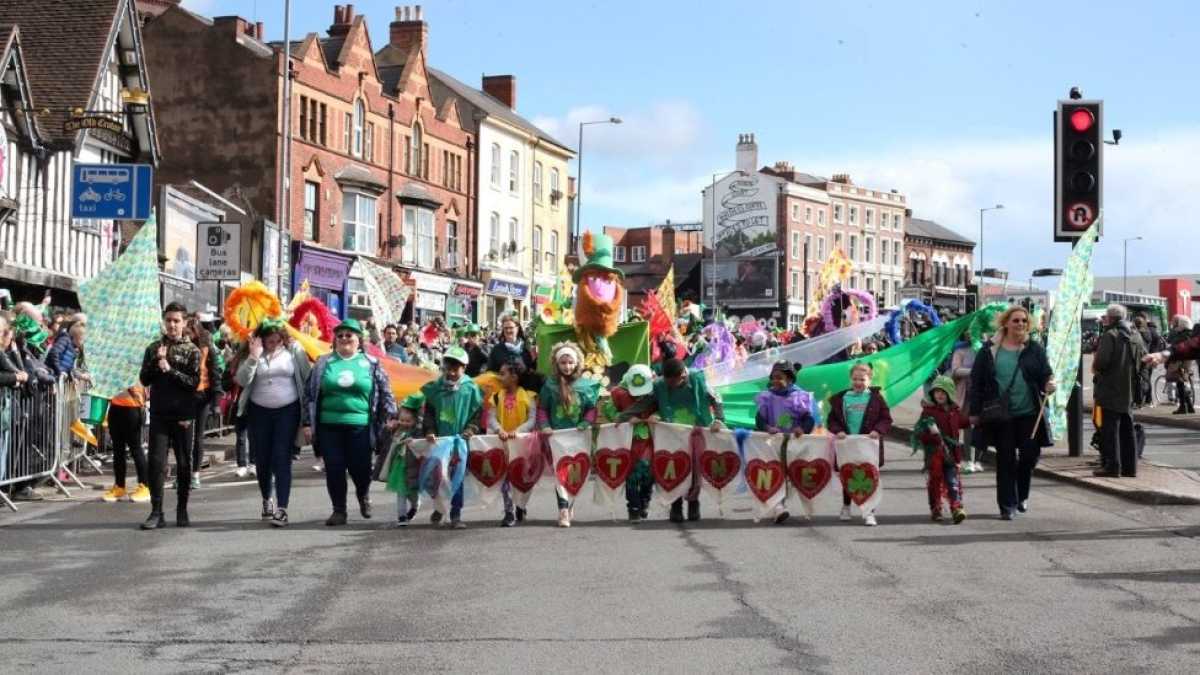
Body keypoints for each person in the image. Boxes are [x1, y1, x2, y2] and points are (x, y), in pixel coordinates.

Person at [969, 305, 1056, 521]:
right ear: (1006, 322)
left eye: (1024, 321)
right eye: (1016, 320)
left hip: (1029, 413)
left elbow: (1046, 373)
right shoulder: (989, 350)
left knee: (1029, 456)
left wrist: (1050, 383)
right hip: (1001, 415)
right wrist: (974, 411)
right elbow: (977, 382)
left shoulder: (1034, 349)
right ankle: (1007, 505)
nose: (1020, 324)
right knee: (1005, 459)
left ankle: (1022, 496)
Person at [307, 319, 396, 526]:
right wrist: (306, 423)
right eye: (340, 335)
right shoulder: (323, 363)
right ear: (335, 339)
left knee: (361, 467)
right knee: (335, 468)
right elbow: (309, 394)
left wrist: (392, 416)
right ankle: (339, 510)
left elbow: (386, 392)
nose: (345, 338)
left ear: (359, 340)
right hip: (329, 425)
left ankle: (363, 494)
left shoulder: (371, 364)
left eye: (349, 335)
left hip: (361, 425)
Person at [623, 357, 724, 524]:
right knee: (674, 467)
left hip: (697, 430)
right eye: (668, 382)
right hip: (671, 432)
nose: (671, 385)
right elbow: (645, 403)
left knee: (695, 468)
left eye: (675, 382)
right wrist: (623, 417)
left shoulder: (699, 379)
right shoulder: (659, 385)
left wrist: (719, 419)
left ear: (683, 375)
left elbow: (717, 398)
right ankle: (675, 505)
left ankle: (693, 502)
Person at [236, 318, 311, 527]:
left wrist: (308, 416)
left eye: (277, 335)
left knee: (281, 457)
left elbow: (307, 378)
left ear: (283, 336)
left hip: (288, 411)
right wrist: (253, 357)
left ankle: (282, 508)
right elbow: (241, 380)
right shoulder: (253, 352)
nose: (273, 339)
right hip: (258, 412)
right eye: (268, 335)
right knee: (263, 459)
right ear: (261, 337)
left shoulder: (294, 351)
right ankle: (266, 499)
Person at [138, 302, 202, 530]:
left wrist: (169, 369)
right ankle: (156, 511)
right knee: (156, 462)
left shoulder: (192, 350)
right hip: (159, 414)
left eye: (176, 321)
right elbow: (144, 379)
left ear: (184, 323)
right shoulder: (154, 348)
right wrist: (157, 363)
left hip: (183, 415)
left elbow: (193, 383)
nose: (172, 325)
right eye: (169, 320)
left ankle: (182, 510)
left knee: (184, 464)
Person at [420, 346, 484, 529]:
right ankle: (440, 507)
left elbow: (477, 414)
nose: (451, 373)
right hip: (440, 442)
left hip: (460, 443)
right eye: (448, 368)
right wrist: (429, 430)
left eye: (456, 369)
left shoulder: (471, 389)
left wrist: (470, 430)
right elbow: (429, 413)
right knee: (439, 476)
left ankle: (456, 514)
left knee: (458, 477)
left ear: (464, 368)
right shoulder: (435, 389)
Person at [538, 342, 599, 527]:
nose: (567, 366)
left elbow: (592, 408)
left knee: (576, 472)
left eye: (570, 362)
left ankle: (571, 503)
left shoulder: (586, 385)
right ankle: (563, 509)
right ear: (557, 364)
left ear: (577, 363)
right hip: (557, 436)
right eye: (563, 363)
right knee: (560, 472)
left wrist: (586, 422)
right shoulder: (549, 386)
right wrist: (545, 425)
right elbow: (542, 409)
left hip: (579, 436)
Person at [826, 362, 892, 526]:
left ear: (869, 380)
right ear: (850, 379)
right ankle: (846, 506)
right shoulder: (841, 399)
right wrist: (838, 430)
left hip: (868, 445)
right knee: (848, 475)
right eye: (855, 379)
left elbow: (886, 419)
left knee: (870, 476)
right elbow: (832, 420)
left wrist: (877, 430)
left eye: (862, 379)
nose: (858, 383)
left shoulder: (876, 399)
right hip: (847, 444)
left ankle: (869, 511)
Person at [754, 360, 817, 525]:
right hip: (773, 444)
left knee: (791, 476)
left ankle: (781, 504)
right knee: (776, 473)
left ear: (789, 379)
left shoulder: (799, 396)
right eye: (773, 378)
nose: (775, 381)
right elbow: (759, 420)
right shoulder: (767, 396)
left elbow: (808, 419)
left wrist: (802, 429)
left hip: (793, 444)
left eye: (779, 378)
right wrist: (767, 427)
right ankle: (778, 507)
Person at [1091, 304, 1146, 478]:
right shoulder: (1135, 334)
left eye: (1106, 316)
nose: (1104, 319)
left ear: (1112, 318)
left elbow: (1101, 363)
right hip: (1130, 388)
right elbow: (1144, 358)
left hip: (1110, 388)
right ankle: (1130, 468)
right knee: (1127, 429)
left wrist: (1095, 365)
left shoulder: (1111, 335)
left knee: (1110, 429)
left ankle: (1112, 467)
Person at [486, 360, 537, 526]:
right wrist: (499, 429)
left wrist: (519, 431)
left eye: (503, 374)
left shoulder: (529, 397)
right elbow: (491, 417)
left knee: (522, 477)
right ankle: (509, 511)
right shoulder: (496, 397)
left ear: (514, 377)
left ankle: (520, 505)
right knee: (505, 478)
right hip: (504, 443)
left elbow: (532, 419)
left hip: (522, 444)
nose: (500, 377)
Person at [912, 376, 968, 524]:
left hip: (951, 455)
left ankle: (956, 507)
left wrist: (976, 420)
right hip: (934, 455)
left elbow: (962, 422)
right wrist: (932, 437)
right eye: (936, 392)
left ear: (950, 393)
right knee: (934, 482)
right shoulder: (928, 412)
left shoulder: (955, 411)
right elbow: (919, 433)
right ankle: (936, 508)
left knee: (952, 481)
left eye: (943, 392)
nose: (939, 395)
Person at [607, 364, 656, 523]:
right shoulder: (618, 393)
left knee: (649, 473)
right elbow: (609, 412)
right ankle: (633, 507)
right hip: (629, 440)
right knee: (632, 474)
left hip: (650, 439)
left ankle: (645, 501)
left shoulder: (656, 391)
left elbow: (663, 407)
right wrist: (626, 418)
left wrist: (657, 416)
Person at [186, 318, 223, 490]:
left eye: (190, 330)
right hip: (184, 398)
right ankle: (183, 474)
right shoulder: (180, 346)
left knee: (198, 437)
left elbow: (215, 374)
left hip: (202, 397)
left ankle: (195, 475)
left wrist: (216, 402)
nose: (188, 333)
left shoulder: (207, 347)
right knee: (182, 438)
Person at [102, 384, 150, 504]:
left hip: (132, 407)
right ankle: (119, 486)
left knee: (135, 449)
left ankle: (145, 486)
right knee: (118, 451)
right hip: (115, 407)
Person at [384, 394, 424, 526]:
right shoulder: (397, 430)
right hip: (399, 467)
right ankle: (401, 517)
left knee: (411, 492)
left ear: (415, 421)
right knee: (401, 492)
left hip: (411, 467)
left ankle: (415, 504)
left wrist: (413, 441)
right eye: (402, 420)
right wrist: (388, 429)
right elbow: (385, 442)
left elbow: (422, 444)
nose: (404, 423)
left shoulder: (417, 432)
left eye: (408, 421)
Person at [950, 336, 984, 473]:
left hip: (982, 395)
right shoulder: (961, 351)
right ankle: (968, 459)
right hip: (965, 395)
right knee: (967, 427)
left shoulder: (987, 350)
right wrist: (974, 371)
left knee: (982, 427)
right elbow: (955, 370)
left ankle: (978, 460)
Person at [487, 314, 540, 390]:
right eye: (505, 328)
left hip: (524, 391)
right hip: (503, 392)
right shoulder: (497, 350)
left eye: (511, 328)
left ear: (517, 328)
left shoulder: (526, 349)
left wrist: (533, 361)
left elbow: (532, 371)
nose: (508, 331)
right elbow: (490, 372)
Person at [1166, 315, 1195, 414]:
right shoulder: (1190, 334)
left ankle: (1183, 407)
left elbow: (1174, 346)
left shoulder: (1181, 335)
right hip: (1187, 361)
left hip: (1180, 361)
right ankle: (1190, 406)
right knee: (1182, 383)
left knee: (1180, 383)